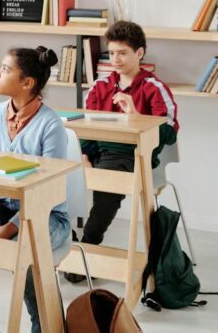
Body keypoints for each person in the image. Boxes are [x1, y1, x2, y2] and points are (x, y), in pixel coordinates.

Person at [67, 20, 178, 281]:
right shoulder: (99, 87)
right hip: (95, 152)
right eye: (112, 53)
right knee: (50, 172)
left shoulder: (154, 88)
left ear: (139, 53)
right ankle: (63, 242)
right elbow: (84, 128)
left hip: (132, 155)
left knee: (108, 179)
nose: (115, 59)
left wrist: (135, 116)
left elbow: (169, 133)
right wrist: (84, 156)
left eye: (123, 53)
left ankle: (87, 247)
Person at [0, 47, 70, 333]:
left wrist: (11, 227)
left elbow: (49, 192)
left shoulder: (50, 126)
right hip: (0, 209)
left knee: (25, 255)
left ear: (27, 83)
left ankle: (45, 327)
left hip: (47, 216)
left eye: (5, 70)